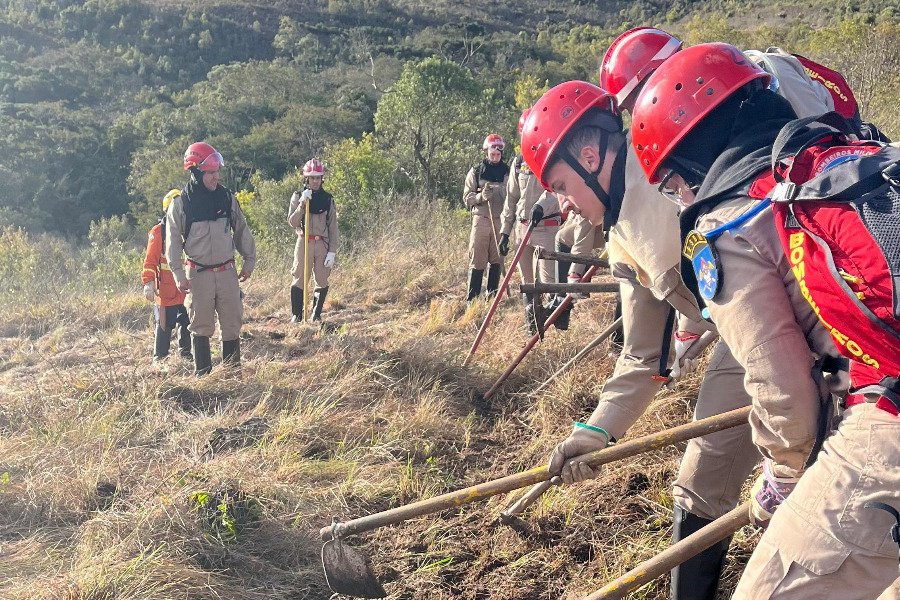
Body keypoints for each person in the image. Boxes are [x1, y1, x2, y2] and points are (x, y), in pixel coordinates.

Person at [630, 42, 898, 599]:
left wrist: (782, 477)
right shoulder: (859, 152)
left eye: (674, 185)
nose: (680, 200)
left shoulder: (725, 227)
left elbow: (785, 395)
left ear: (693, 159)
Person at [519, 78, 759, 600]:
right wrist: (595, 431)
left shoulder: (671, 178)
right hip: (742, 340)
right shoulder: (620, 235)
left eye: (561, 186)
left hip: (817, 325)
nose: (564, 205)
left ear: (590, 157)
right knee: (701, 482)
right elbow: (644, 354)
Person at [165, 142, 256, 376]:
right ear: (195, 172)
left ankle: (232, 376)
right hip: (198, 275)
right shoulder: (181, 204)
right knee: (201, 325)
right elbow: (172, 243)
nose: (217, 177)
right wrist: (178, 274)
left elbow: (241, 230)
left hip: (227, 273)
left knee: (232, 323)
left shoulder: (226, 198)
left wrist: (249, 260)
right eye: (210, 173)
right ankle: (203, 376)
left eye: (217, 172)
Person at [499, 109, 562, 334]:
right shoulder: (519, 163)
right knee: (528, 282)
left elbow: (556, 189)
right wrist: (505, 232)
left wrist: (541, 206)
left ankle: (553, 328)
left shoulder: (551, 157)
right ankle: (532, 328)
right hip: (522, 229)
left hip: (547, 229)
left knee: (549, 281)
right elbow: (511, 197)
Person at [141, 188, 191, 364]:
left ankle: (187, 356)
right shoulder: (158, 232)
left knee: (187, 323)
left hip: (186, 289)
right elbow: (150, 260)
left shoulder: (190, 229)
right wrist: (148, 283)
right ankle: (160, 359)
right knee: (164, 325)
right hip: (166, 292)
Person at [288, 158, 339, 323]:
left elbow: (333, 227)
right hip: (303, 241)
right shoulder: (297, 196)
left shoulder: (328, 199)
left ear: (322, 178)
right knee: (299, 277)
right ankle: (297, 315)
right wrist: (302, 204)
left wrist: (332, 251)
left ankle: (316, 315)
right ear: (306, 179)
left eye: (318, 177)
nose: (315, 181)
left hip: (322, 244)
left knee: (322, 279)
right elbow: (292, 222)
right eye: (312, 178)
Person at [463, 134, 508, 301]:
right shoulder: (476, 171)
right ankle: (472, 300)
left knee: (497, 260)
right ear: (486, 152)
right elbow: (467, 197)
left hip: (500, 220)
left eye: (498, 154)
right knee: (477, 259)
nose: (495, 157)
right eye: (492, 154)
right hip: (481, 219)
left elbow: (514, 196)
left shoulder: (508, 172)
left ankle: (492, 298)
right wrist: (480, 197)